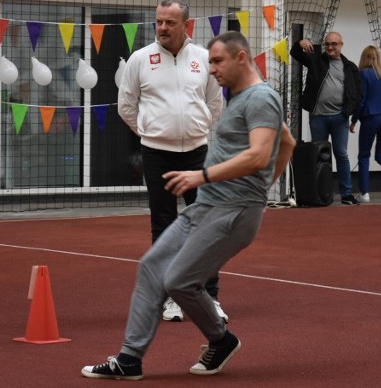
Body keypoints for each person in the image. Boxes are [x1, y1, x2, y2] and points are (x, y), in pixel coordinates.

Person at [82, 31, 296, 380]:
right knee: (152, 267)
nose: (210, 69)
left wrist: (206, 177)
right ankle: (129, 359)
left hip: (233, 210)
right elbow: (287, 141)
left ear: (241, 58)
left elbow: (259, 154)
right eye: (209, 61)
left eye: (217, 61)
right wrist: (264, 184)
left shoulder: (260, 98)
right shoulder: (243, 98)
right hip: (208, 207)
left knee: (180, 281)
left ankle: (221, 340)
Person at [118, 0, 226, 323]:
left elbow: (215, 102)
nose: (162, 28)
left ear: (186, 25)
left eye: (169, 22)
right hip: (156, 154)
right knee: (163, 227)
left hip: (197, 152)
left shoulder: (204, 59)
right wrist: (151, 132)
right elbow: (126, 105)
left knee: (205, 226)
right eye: (159, 21)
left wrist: (195, 130)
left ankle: (210, 297)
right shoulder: (140, 59)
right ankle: (171, 300)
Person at [290, 31, 363, 205]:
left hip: (340, 118)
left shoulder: (350, 67)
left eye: (333, 44)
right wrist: (300, 42)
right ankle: (317, 194)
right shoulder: (316, 60)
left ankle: (346, 194)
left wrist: (350, 112)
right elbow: (295, 53)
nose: (330, 47)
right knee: (317, 157)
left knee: (341, 155)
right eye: (327, 44)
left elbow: (358, 92)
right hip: (318, 117)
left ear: (341, 45)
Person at [349, 45, 381, 203]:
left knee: (364, 155)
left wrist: (354, 120)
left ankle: (364, 193)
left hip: (371, 116)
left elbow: (361, 100)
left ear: (364, 58)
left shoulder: (363, 74)